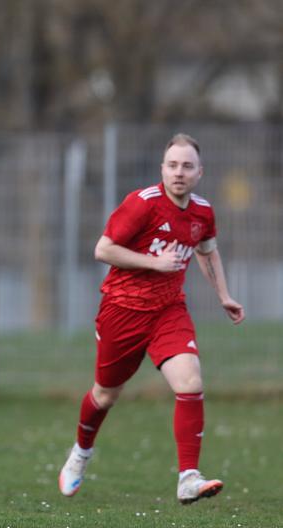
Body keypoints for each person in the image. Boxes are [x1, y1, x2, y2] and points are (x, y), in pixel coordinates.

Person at [58, 133, 245, 504]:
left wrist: (223, 295)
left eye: (187, 166)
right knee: (106, 394)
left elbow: (207, 252)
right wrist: (154, 263)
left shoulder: (203, 212)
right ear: (162, 169)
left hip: (168, 310)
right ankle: (80, 453)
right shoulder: (142, 204)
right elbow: (103, 249)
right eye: (173, 165)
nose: (179, 172)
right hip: (122, 311)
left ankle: (188, 477)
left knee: (190, 380)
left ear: (199, 172)